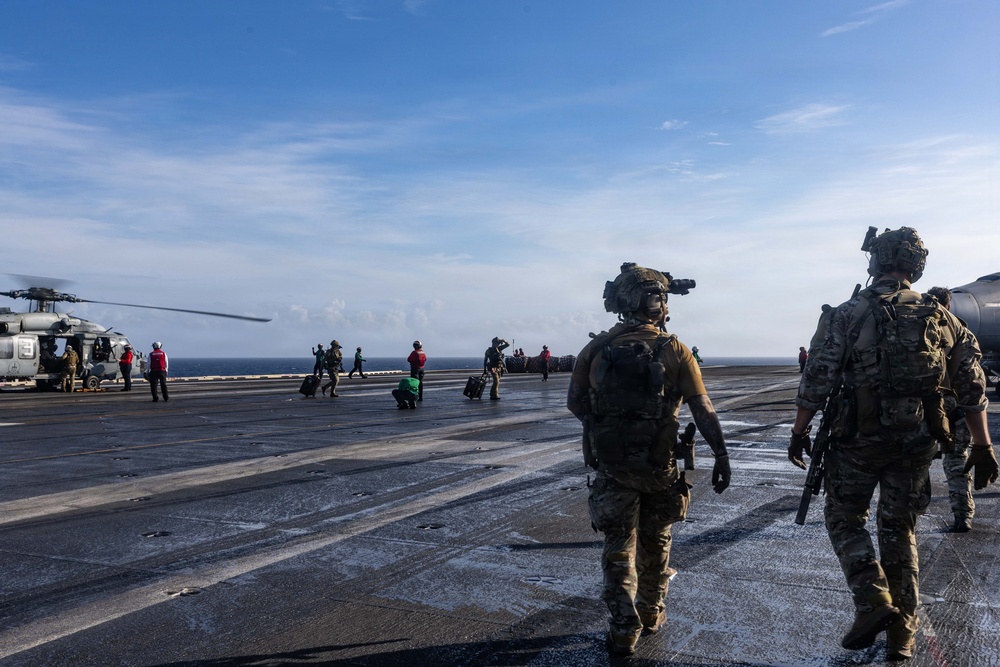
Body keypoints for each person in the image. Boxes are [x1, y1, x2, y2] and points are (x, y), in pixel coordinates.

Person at [789, 227, 996, 661]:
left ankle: (871, 600)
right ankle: (903, 636)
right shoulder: (942, 317)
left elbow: (818, 377)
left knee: (844, 519)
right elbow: (971, 384)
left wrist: (800, 429)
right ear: (915, 266)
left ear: (878, 261)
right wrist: (983, 445)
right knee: (900, 532)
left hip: (857, 441)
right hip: (917, 443)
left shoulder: (847, 313)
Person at [566, 262, 731, 656]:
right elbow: (702, 408)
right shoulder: (674, 349)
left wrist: (606, 425)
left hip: (612, 466)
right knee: (657, 542)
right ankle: (652, 613)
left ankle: (624, 629)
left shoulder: (596, 349)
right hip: (659, 466)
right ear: (658, 304)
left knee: (618, 546)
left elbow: (574, 403)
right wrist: (722, 454)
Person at [926, 286, 976, 532]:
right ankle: (962, 515)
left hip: (921, 412)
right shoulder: (961, 331)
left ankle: (912, 513)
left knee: (915, 465)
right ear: (949, 304)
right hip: (955, 411)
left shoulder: (916, 331)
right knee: (957, 465)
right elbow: (972, 382)